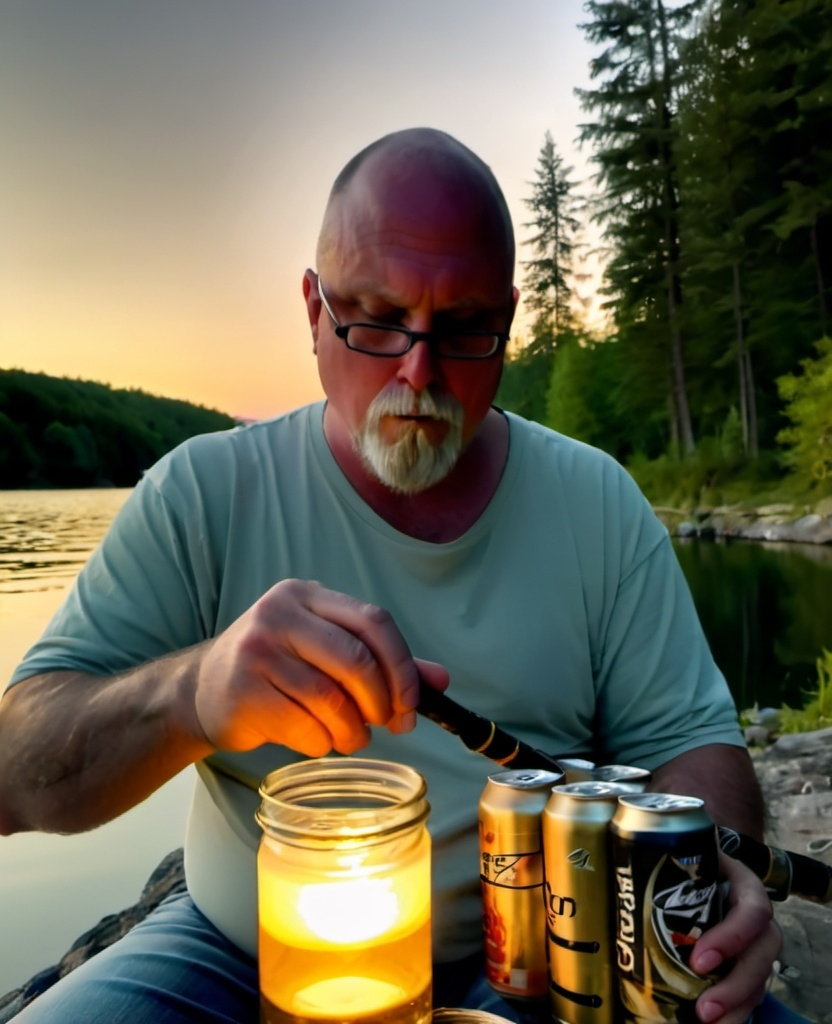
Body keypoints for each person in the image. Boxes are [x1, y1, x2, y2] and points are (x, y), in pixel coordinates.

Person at [0, 127, 791, 1024]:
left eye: (462, 329)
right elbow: (16, 777)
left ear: (508, 321)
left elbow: (692, 743)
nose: (419, 374)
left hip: (560, 962)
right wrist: (191, 691)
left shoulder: (597, 501)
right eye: (376, 319)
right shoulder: (203, 492)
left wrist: (712, 871)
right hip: (236, 954)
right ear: (312, 310)